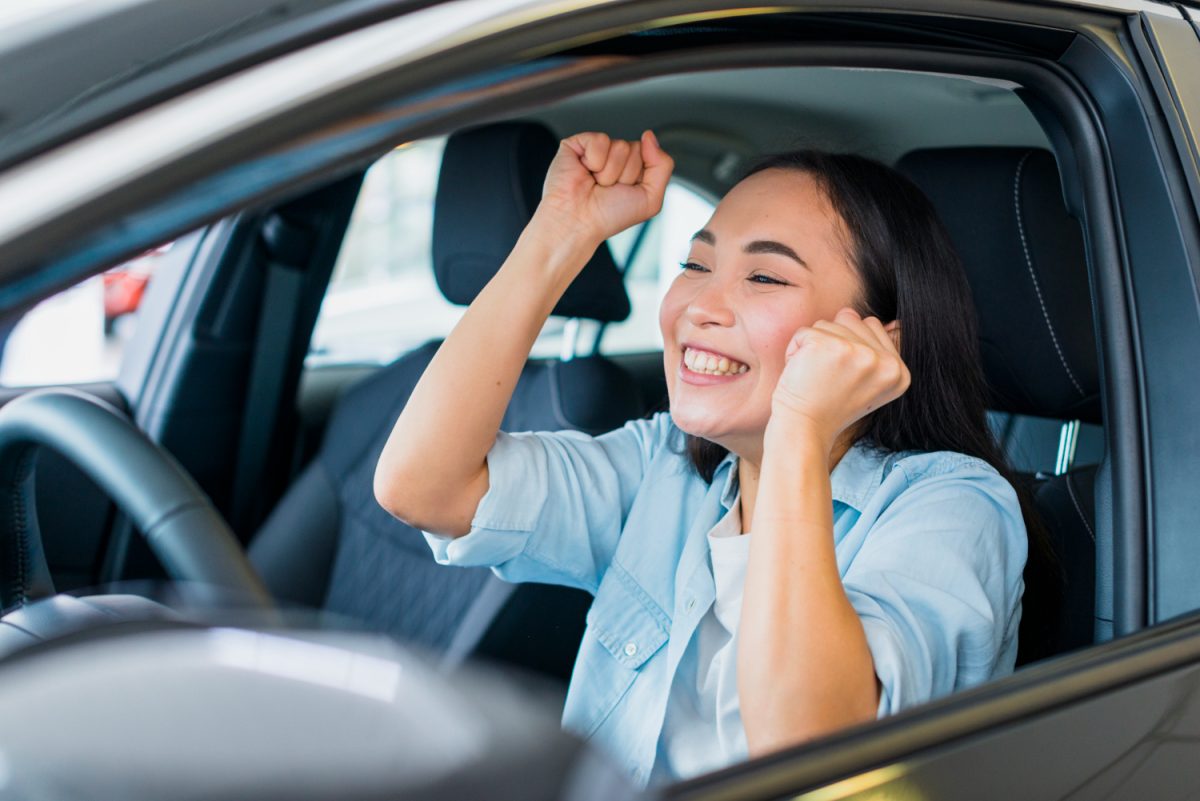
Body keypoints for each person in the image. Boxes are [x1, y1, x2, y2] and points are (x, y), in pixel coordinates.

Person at [374, 130, 1029, 787]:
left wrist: (799, 431)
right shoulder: (663, 470)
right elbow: (422, 486)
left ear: (876, 341)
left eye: (765, 276)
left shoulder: (954, 508)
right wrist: (561, 233)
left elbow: (812, 749)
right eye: (695, 265)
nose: (700, 308)